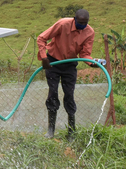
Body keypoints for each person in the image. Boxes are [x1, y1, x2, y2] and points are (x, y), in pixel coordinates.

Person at [37, 9, 98, 140]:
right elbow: (41, 38)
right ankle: (51, 130)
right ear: (74, 19)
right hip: (53, 62)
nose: (82, 26)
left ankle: (71, 131)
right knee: (53, 93)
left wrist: (92, 63)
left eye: (85, 23)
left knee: (69, 95)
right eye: (80, 22)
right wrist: (44, 58)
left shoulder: (89, 32)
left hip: (70, 64)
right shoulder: (62, 24)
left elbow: (84, 54)